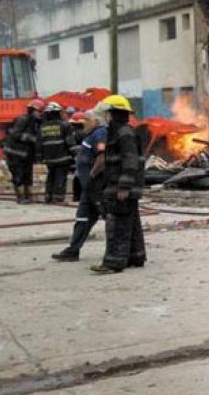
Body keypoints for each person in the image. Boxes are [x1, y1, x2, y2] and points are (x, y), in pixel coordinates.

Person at [90, 95, 146, 274]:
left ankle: (113, 262)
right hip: (123, 186)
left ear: (113, 114)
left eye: (107, 114)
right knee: (131, 222)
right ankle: (135, 256)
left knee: (117, 224)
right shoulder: (121, 132)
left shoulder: (123, 133)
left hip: (120, 187)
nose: (105, 118)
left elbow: (130, 161)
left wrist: (123, 187)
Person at [52, 110, 108, 262]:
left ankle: (119, 250)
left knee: (109, 217)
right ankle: (73, 250)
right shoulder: (90, 135)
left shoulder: (100, 134)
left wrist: (91, 176)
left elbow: (101, 158)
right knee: (82, 218)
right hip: (87, 187)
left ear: (96, 121)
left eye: (87, 120)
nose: (84, 123)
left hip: (96, 186)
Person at [2, 99, 44, 204]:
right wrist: (31, 138)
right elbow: (16, 134)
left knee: (27, 176)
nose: (40, 114)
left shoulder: (36, 123)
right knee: (18, 176)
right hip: (15, 154)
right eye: (39, 111)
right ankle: (20, 197)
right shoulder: (23, 120)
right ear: (32, 110)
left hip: (26, 155)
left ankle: (28, 197)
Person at [37, 101, 75, 204]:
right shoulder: (65, 125)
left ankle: (48, 197)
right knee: (60, 178)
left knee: (51, 177)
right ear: (58, 113)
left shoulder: (43, 127)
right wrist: (75, 156)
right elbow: (70, 142)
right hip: (63, 157)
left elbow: (39, 143)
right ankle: (58, 198)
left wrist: (40, 157)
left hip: (49, 158)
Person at [69, 112, 87, 202]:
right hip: (84, 158)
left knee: (76, 176)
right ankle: (80, 196)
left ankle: (76, 196)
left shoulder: (71, 133)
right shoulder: (86, 133)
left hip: (73, 158)